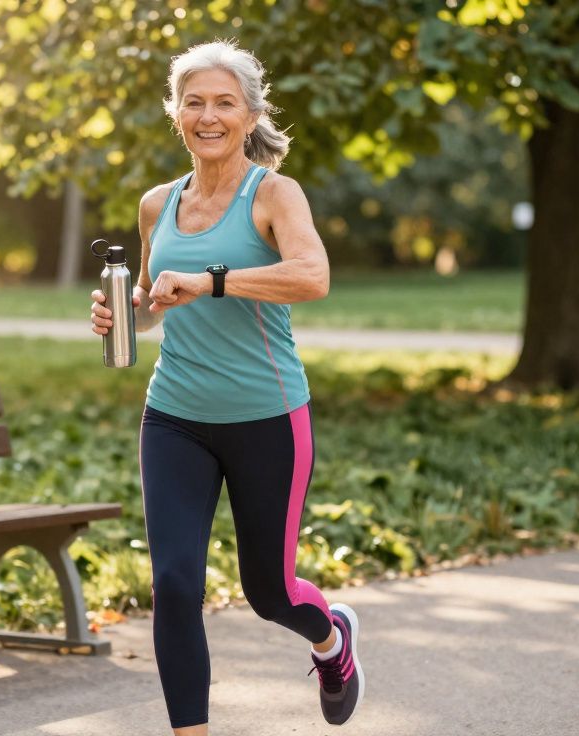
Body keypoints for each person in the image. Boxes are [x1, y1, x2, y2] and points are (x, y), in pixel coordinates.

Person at [89, 40, 363, 733]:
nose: (208, 116)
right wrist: (122, 314)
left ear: (249, 115)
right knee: (174, 585)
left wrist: (213, 281)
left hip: (267, 417)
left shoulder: (274, 194)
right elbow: (155, 304)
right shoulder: (158, 204)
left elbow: (312, 276)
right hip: (175, 417)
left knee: (269, 593)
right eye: (194, 102)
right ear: (176, 114)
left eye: (223, 103)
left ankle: (332, 639)